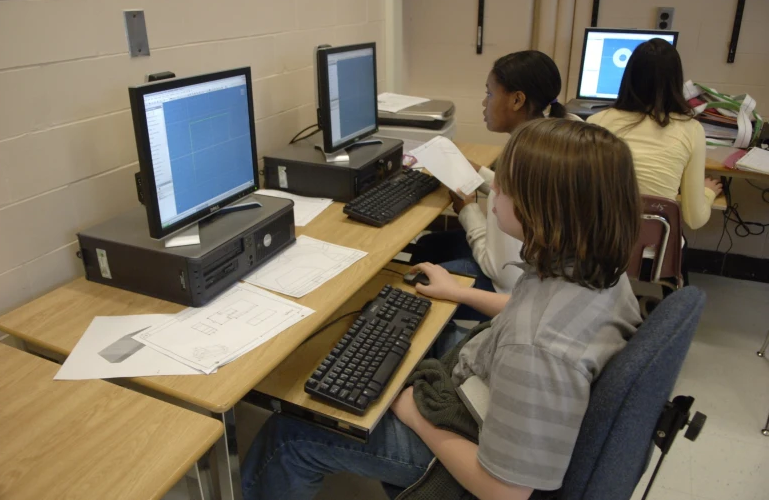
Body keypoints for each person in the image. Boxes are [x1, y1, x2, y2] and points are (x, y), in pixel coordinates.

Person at [240, 119, 643, 500]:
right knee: (404, 330)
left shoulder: (535, 348)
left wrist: (414, 414)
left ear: (542, 209)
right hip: (489, 384)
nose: (494, 185)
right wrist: (461, 294)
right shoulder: (597, 270)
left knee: (289, 435)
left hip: (479, 449)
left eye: (506, 181)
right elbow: (528, 314)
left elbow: (504, 492)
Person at [411, 50, 573, 320]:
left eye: (489, 94)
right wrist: (484, 175)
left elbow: (499, 270)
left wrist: (467, 209)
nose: (484, 104)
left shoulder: (520, 159)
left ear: (517, 99)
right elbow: (518, 191)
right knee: (428, 246)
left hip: (508, 288)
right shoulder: (555, 135)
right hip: (546, 271)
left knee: (414, 285)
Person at [587, 38, 723, 230]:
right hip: (652, 252)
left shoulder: (596, 122)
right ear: (676, 82)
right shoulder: (692, 130)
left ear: (629, 76)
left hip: (597, 246)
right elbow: (694, 219)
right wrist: (707, 192)